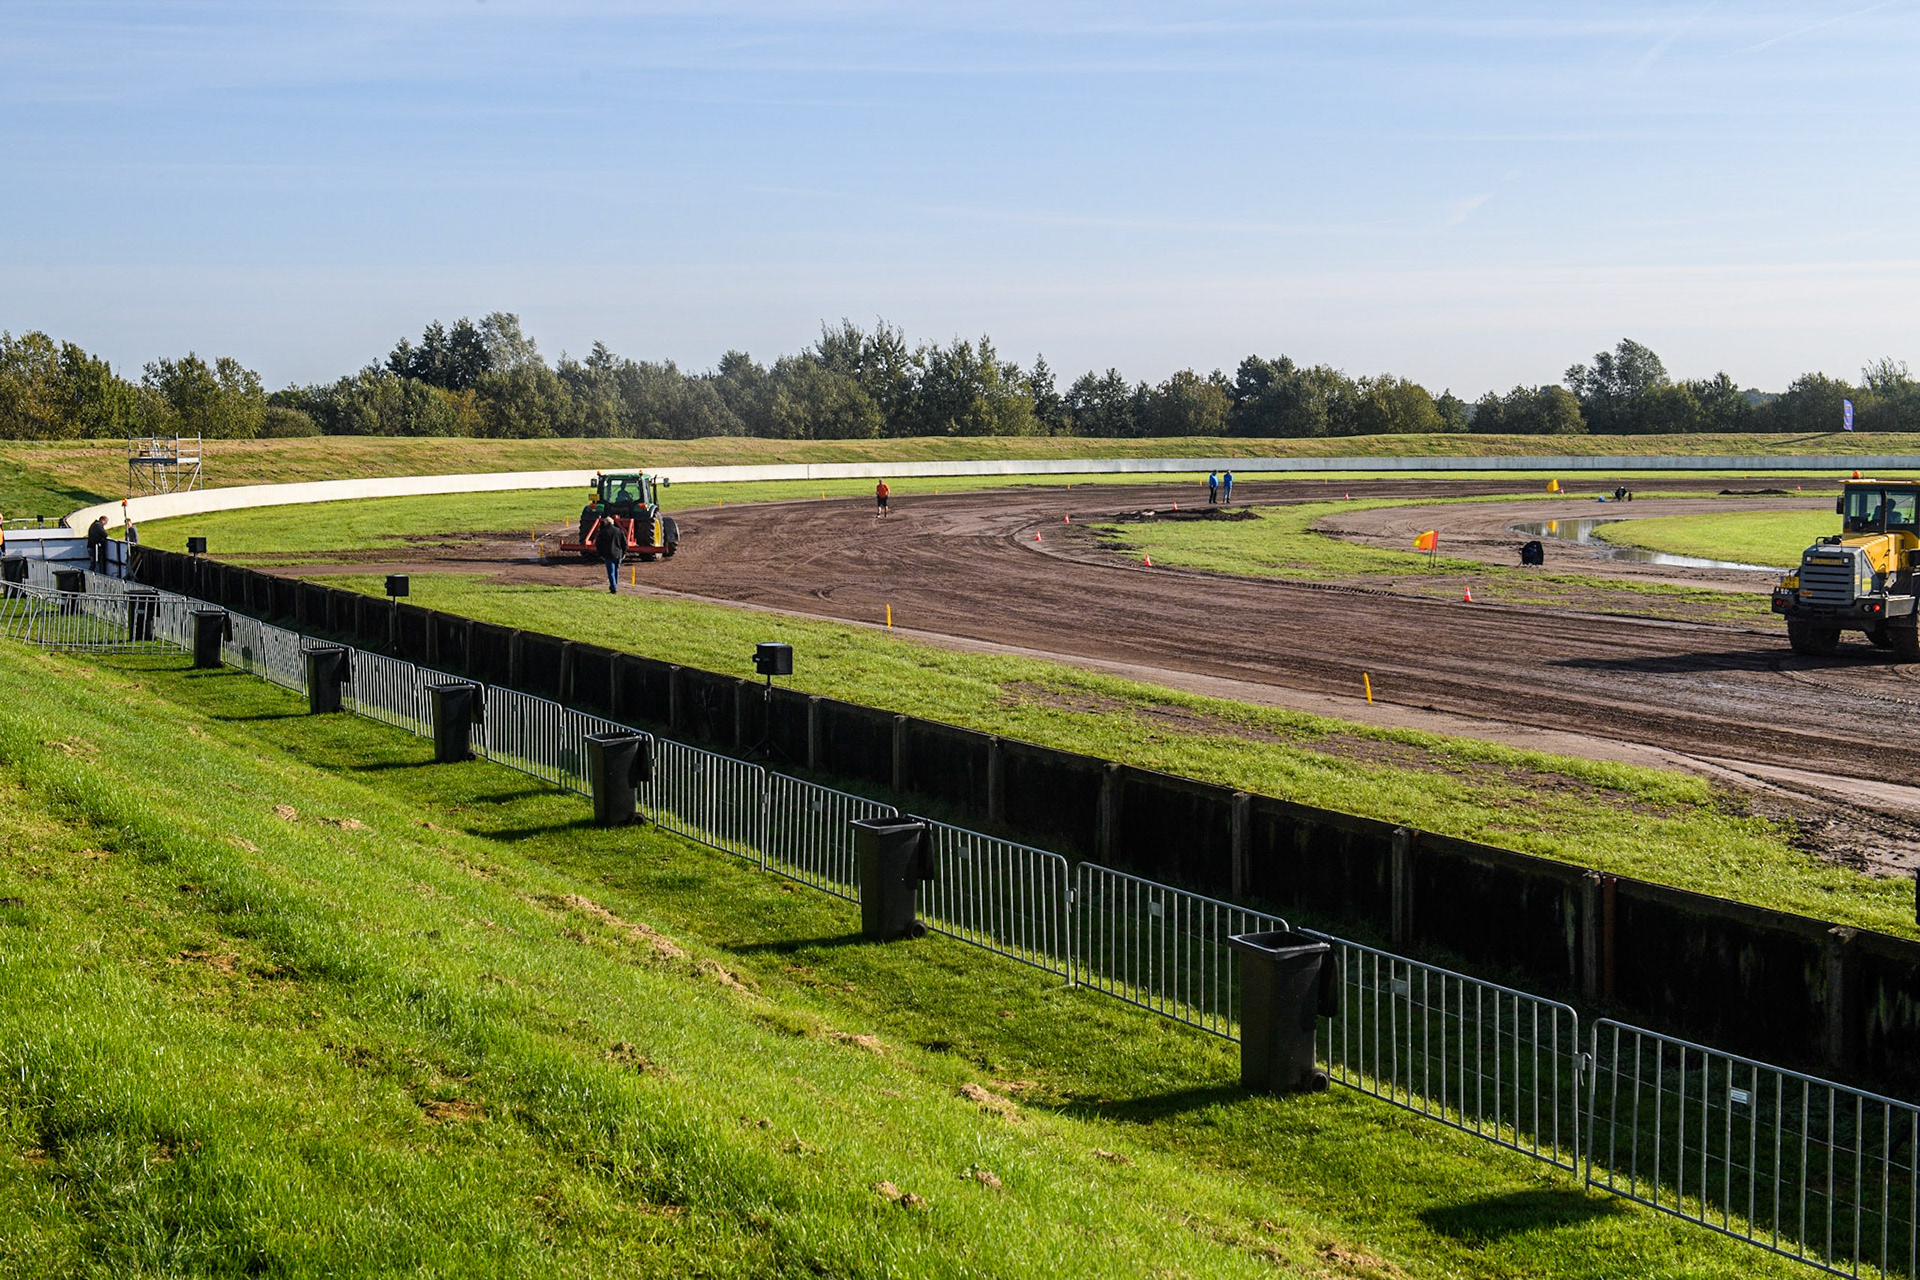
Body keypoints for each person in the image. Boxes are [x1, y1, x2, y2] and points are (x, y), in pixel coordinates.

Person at [594, 514, 627, 594]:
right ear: (612, 523)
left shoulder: (603, 532)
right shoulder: (619, 531)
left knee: (611, 572)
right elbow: (624, 543)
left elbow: (598, 544)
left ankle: (613, 588)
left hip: (608, 555)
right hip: (618, 554)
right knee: (616, 571)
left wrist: (600, 554)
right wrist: (624, 553)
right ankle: (614, 585)